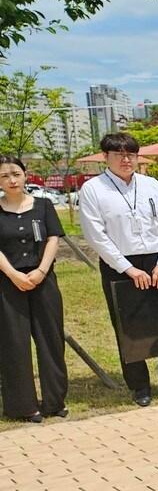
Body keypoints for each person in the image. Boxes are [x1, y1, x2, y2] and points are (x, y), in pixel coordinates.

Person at [78, 132, 158, 407]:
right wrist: (128, 269)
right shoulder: (93, 189)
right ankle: (139, 385)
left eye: (131, 154)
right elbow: (96, 235)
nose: (126, 160)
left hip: (157, 261)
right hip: (119, 264)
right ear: (106, 157)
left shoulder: (151, 185)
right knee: (129, 325)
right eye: (119, 155)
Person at [0, 156, 68, 421]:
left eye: (15, 173)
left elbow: (53, 238)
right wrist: (13, 274)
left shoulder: (44, 205)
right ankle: (23, 406)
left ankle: (55, 401)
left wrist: (40, 271)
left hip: (44, 281)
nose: (11, 180)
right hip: (8, 282)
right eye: (4, 176)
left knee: (50, 340)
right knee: (14, 344)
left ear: (26, 175)